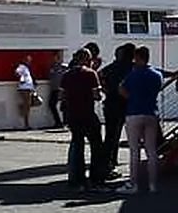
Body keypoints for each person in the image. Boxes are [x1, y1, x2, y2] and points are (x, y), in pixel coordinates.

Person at [118, 46, 163, 195]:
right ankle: (153, 184)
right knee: (151, 151)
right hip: (151, 112)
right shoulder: (157, 75)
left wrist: (132, 98)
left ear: (138, 57)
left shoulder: (133, 74)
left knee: (134, 150)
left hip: (134, 113)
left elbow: (121, 89)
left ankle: (134, 183)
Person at [60, 49, 106, 188]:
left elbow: (61, 96)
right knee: (96, 145)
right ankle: (95, 177)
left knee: (77, 145)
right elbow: (96, 96)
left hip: (72, 115)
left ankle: (77, 178)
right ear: (88, 59)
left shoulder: (67, 75)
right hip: (87, 114)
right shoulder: (91, 74)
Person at [98, 43, 135, 182]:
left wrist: (105, 88)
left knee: (111, 136)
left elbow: (99, 75)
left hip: (111, 104)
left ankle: (109, 163)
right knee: (118, 136)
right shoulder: (131, 67)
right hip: (127, 105)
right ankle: (109, 164)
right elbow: (151, 71)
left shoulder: (112, 67)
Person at [45, 55, 69, 128]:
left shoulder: (64, 67)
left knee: (64, 106)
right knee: (52, 105)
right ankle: (59, 122)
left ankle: (66, 122)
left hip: (63, 89)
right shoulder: (52, 67)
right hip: (55, 89)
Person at [16, 60, 38, 130]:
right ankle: (26, 123)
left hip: (28, 87)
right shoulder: (22, 67)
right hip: (24, 87)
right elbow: (17, 72)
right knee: (27, 104)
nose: (29, 61)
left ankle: (23, 108)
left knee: (29, 103)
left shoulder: (27, 68)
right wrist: (21, 77)